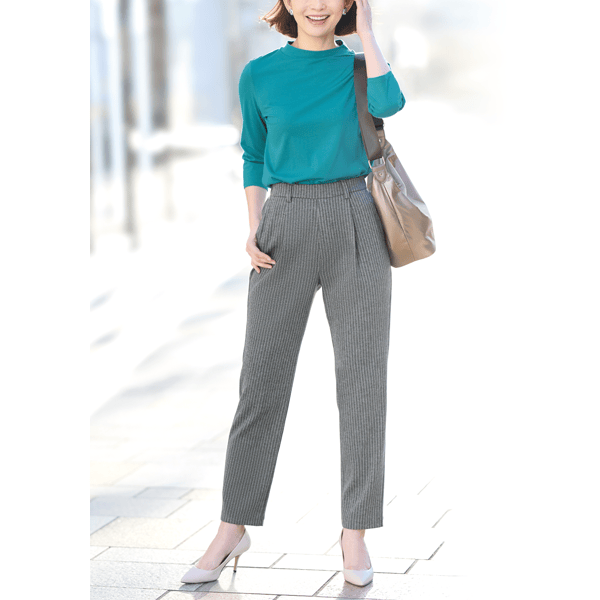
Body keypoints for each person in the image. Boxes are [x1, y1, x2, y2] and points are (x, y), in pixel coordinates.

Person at [181, 0, 405, 587]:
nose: (318, 4)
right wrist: (254, 224)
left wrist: (368, 33)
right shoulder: (260, 74)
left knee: (363, 384)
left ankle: (354, 533)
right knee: (261, 384)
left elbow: (390, 105)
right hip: (283, 225)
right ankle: (233, 526)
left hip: (357, 219)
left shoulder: (359, 68)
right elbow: (254, 154)